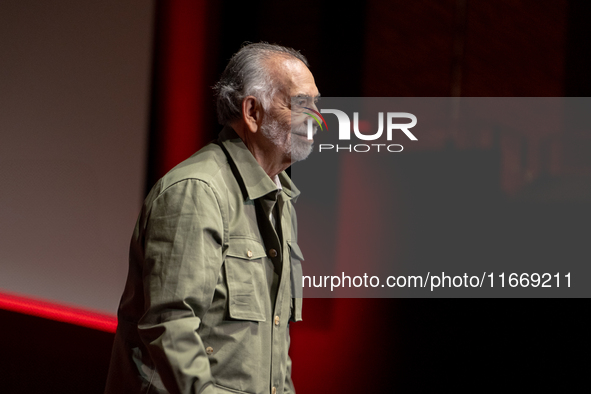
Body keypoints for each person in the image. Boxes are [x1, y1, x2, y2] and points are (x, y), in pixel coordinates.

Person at [104, 42, 320, 394]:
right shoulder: (196, 191)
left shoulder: (281, 200)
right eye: (300, 104)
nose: (316, 119)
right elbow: (169, 326)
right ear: (252, 111)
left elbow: (276, 348)